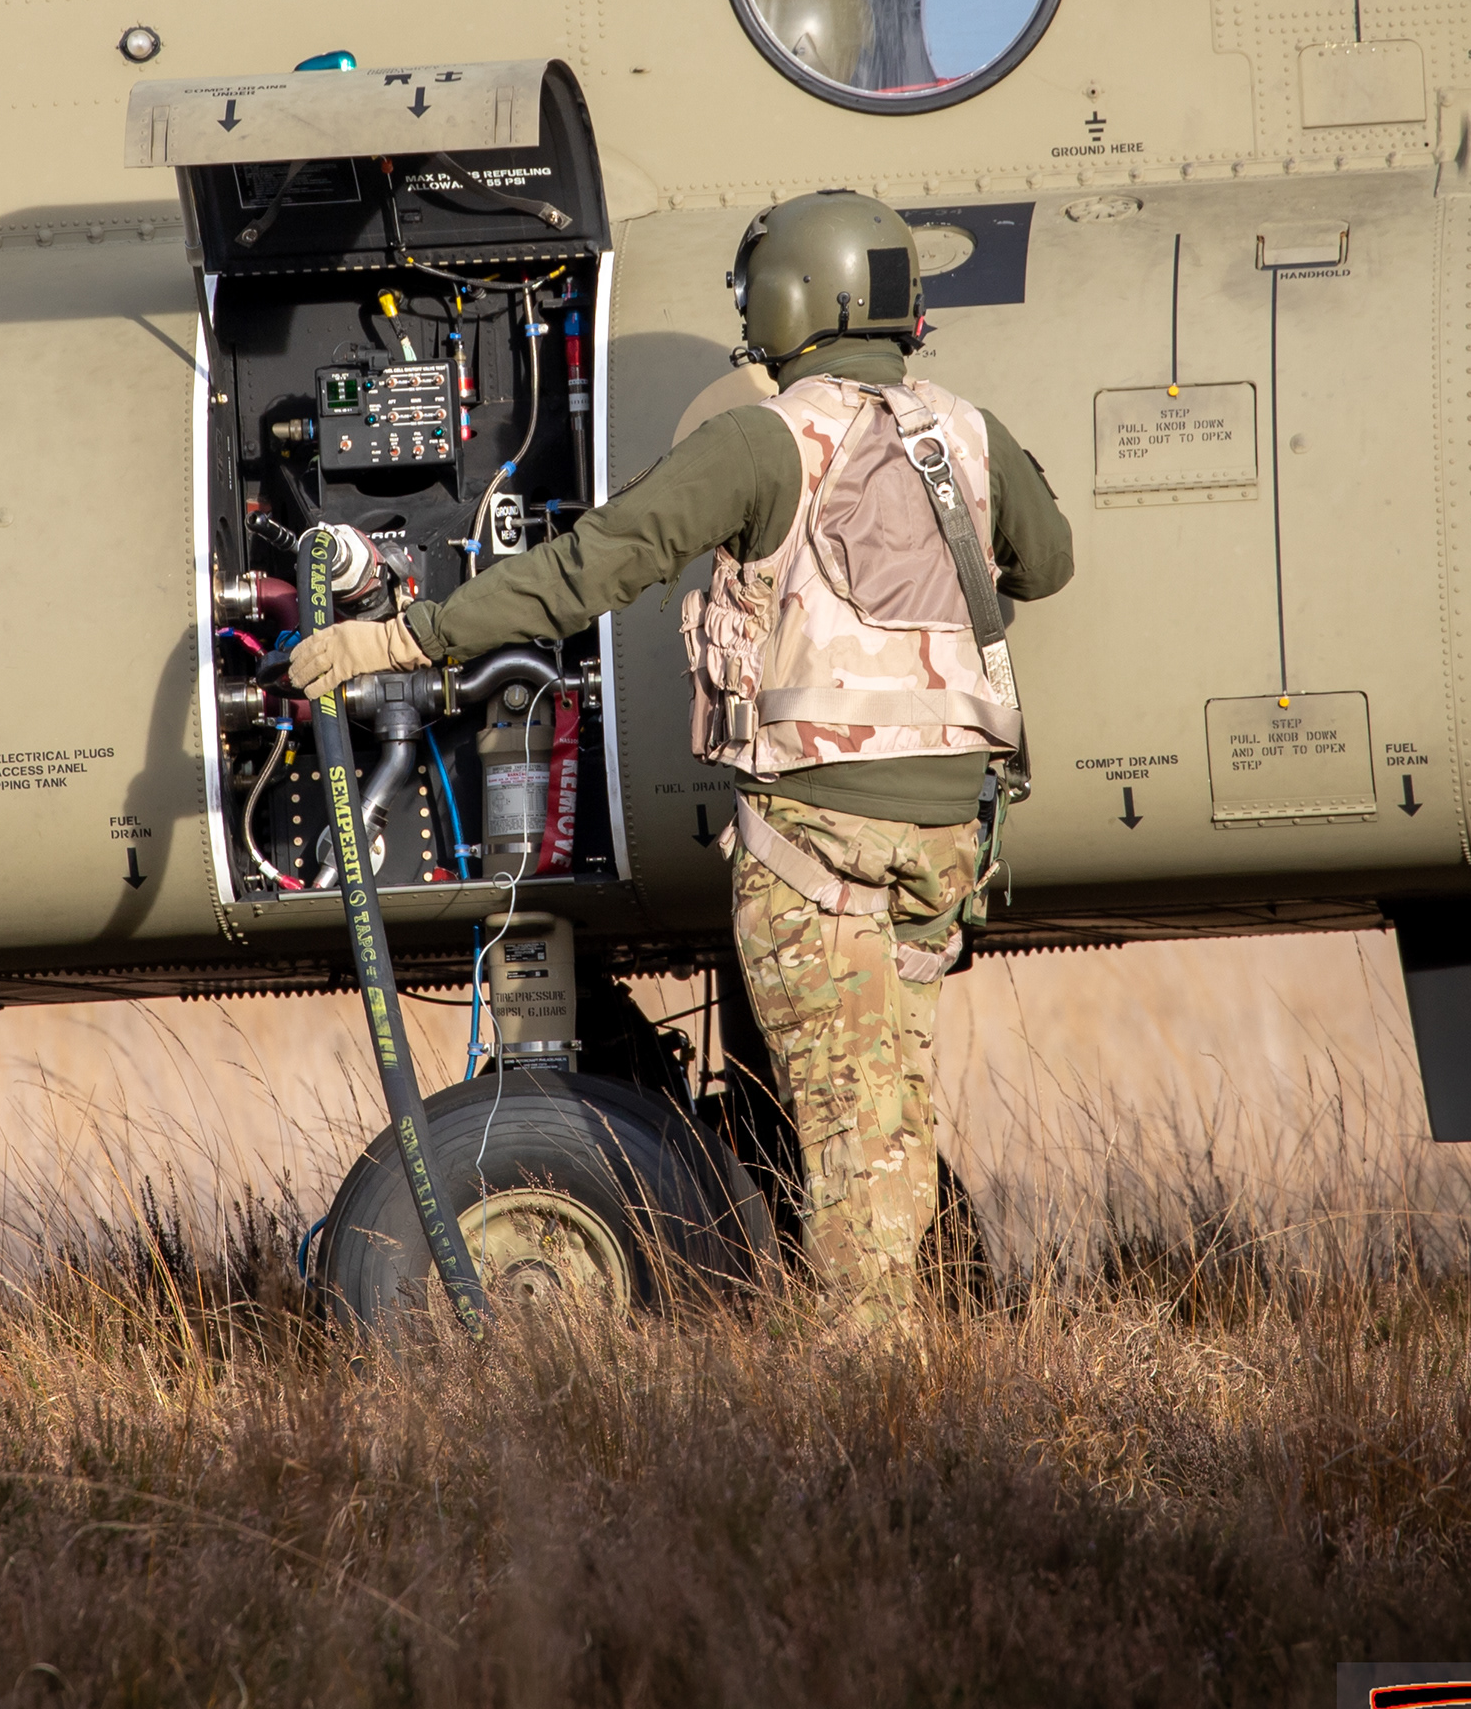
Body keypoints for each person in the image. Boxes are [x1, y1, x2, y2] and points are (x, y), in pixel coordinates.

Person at [280, 189, 1071, 1323]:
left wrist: (405, 636)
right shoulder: (968, 433)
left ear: (787, 300)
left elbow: (589, 566)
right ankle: (916, 1350)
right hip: (943, 844)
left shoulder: (764, 440)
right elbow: (1048, 561)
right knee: (889, 1117)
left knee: (849, 1133)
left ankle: (877, 1386)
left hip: (820, 848)